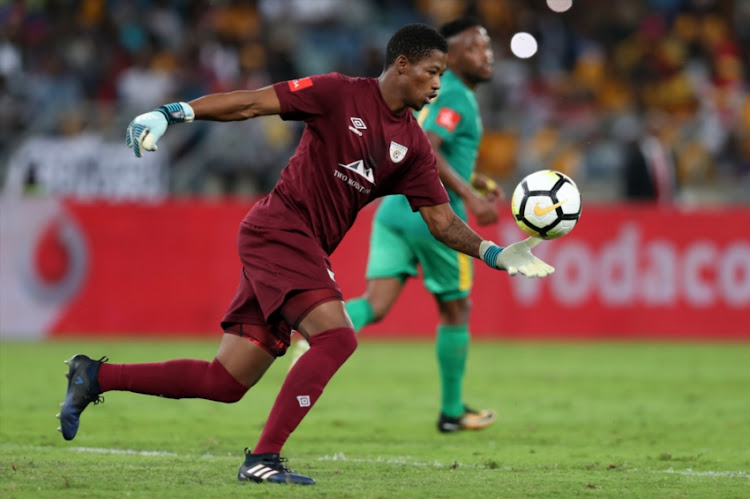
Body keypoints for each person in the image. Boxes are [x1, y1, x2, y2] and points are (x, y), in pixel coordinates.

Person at [56, 23, 554, 486]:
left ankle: (94, 375)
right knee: (337, 338)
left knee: (226, 381)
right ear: (402, 64)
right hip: (279, 229)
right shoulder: (339, 92)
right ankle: (263, 459)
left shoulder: (414, 146)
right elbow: (252, 104)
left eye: (443, 76)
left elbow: (441, 221)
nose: (438, 84)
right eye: (432, 72)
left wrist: (495, 254)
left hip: (301, 246)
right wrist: (174, 112)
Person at [290, 17, 504, 433]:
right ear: (453, 56)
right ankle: (452, 410)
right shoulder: (455, 95)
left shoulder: (442, 94)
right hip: (432, 215)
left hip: (394, 211)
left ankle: (304, 333)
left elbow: (428, 149)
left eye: (488, 46)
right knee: (457, 308)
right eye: (476, 47)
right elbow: (431, 148)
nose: (487, 55)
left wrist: (473, 178)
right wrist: (471, 197)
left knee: (377, 302)